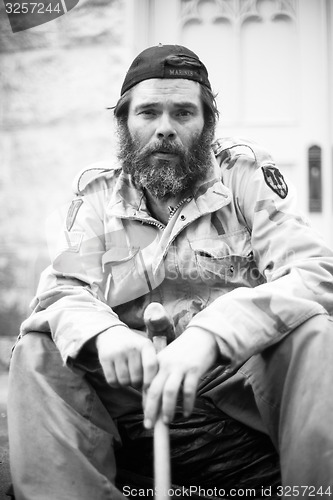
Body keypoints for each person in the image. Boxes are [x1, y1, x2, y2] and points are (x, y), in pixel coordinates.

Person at [7, 44, 333, 500]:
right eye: (148, 113)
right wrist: (105, 334)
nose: (164, 128)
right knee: (38, 349)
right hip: (132, 384)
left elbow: (316, 274)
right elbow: (60, 291)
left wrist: (211, 335)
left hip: (237, 377)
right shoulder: (97, 198)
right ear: (124, 123)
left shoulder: (244, 176)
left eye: (183, 113)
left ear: (208, 124)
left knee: (315, 333)